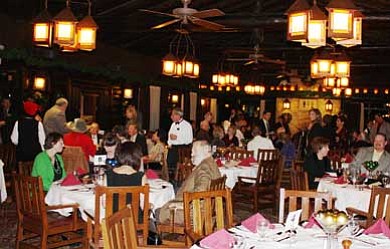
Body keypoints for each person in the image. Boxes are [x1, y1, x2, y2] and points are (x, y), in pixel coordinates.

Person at [157, 140, 221, 225]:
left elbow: (202, 190)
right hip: (206, 211)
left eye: (195, 151)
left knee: (156, 213)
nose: (191, 155)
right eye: (192, 151)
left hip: (193, 214)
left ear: (206, 151)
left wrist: (184, 205)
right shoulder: (211, 163)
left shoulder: (204, 167)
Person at [105, 142, 146, 212]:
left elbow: (104, 204)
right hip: (135, 221)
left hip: (113, 220)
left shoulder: (108, 175)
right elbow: (143, 206)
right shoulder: (141, 176)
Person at [167, 108, 193, 181]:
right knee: (169, 164)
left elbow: (189, 139)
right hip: (173, 147)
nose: (171, 117)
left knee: (177, 165)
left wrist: (177, 137)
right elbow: (169, 136)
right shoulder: (173, 125)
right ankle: (171, 180)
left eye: (173, 115)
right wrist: (169, 143)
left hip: (182, 149)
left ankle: (178, 180)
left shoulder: (187, 125)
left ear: (178, 115)